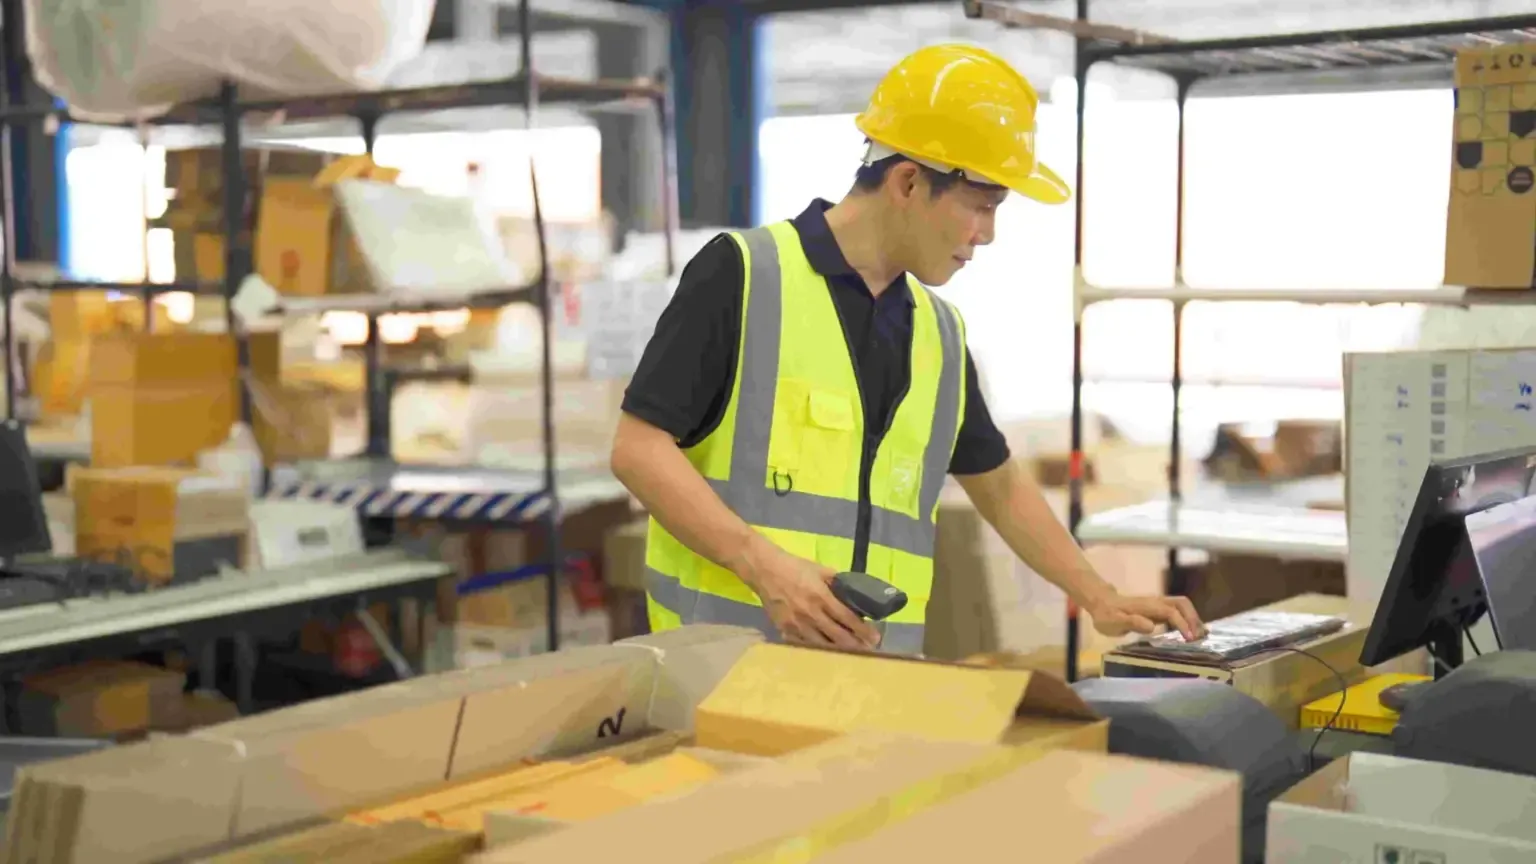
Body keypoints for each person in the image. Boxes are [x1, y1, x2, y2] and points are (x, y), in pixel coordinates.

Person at [610, 43, 1205, 653]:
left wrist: (1100, 595)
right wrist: (764, 566)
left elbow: (996, 484)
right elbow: (638, 450)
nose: (988, 234)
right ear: (909, 181)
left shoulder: (939, 332)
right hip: (726, 675)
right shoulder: (744, 275)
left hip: (877, 684)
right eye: (981, 206)